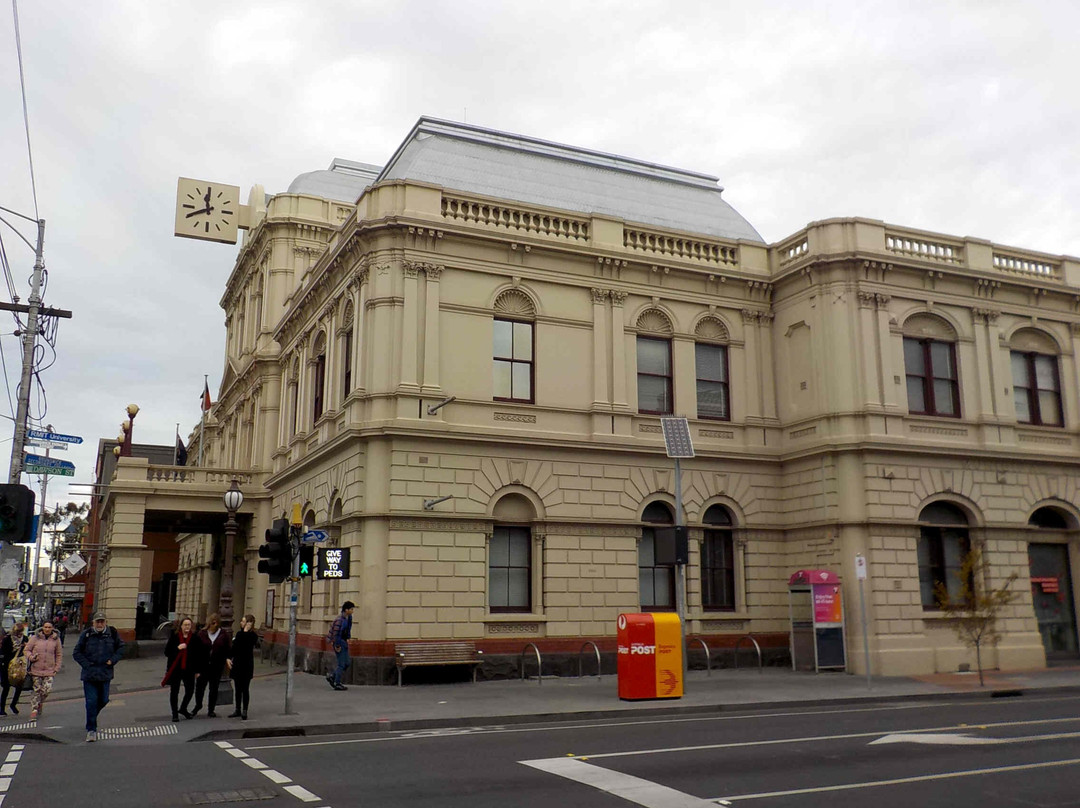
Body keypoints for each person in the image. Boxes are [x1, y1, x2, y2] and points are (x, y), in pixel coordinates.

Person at [72, 612, 125, 742]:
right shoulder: (87, 634)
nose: (100, 624)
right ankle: (91, 730)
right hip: (89, 675)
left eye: (102, 621)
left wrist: (112, 660)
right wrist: (86, 665)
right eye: (98, 622)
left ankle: (91, 717)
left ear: (106, 622)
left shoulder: (112, 633)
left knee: (104, 700)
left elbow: (121, 648)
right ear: (93, 623)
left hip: (105, 674)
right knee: (91, 702)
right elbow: (76, 652)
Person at [191, 613, 231, 718]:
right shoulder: (202, 634)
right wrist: (196, 669)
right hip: (203, 666)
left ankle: (211, 709)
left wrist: (226, 659)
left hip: (216, 666)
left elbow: (227, 649)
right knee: (200, 688)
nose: (213, 625)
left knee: (214, 688)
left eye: (215, 623)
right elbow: (196, 652)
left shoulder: (223, 634)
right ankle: (198, 705)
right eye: (212, 623)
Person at [25, 621, 62, 720]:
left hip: (49, 669)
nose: (47, 629)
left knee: (46, 690)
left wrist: (57, 667)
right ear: (42, 628)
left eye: (49, 627)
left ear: (52, 628)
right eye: (45, 627)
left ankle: (40, 703)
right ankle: (34, 710)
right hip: (36, 669)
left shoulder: (56, 639)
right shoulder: (35, 638)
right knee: (36, 690)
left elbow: (58, 654)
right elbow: (26, 650)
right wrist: (31, 657)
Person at [163, 617, 197, 722]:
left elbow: (198, 655)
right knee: (174, 691)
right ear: (181, 626)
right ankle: (174, 714)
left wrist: (198, 670)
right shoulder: (175, 637)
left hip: (189, 669)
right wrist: (178, 648)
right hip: (176, 668)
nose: (187, 627)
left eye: (189, 625)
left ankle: (183, 708)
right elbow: (167, 652)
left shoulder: (194, 638)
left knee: (190, 690)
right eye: (185, 625)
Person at [227, 614, 258, 720]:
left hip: (247, 665)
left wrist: (246, 631)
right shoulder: (239, 634)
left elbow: (246, 646)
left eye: (243, 621)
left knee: (245, 688)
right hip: (237, 664)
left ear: (249, 623)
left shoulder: (253, 636)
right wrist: (228, 657)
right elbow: (235, 647)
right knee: (237, 688)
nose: (241, 622)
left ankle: (245, 710)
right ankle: (237, 709)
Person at [0, 622, 28, 716]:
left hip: (19, 666)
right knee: (6, 688)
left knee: (19, 686)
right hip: (7, 666)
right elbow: (3, 652)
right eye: (18, 632)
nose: (20, 634)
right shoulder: (7, 639)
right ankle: (2, 708)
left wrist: (25, 647)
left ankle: (13, 704)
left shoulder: (25, 639)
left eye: (21, 632)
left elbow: (27, 651)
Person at [326, 600, 354, 691]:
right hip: (339, 642)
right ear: (346, 610)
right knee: (341, 664)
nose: (352, 611)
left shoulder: (347, 619)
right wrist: (337, 645)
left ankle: (332, 676)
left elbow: (348, 628)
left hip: (344, 642)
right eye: (351, 609)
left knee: (347, 663)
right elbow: (336, 633)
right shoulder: (339, 620)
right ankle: (337, 683)